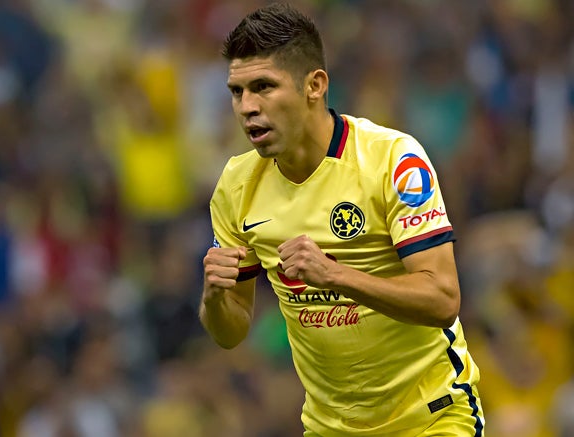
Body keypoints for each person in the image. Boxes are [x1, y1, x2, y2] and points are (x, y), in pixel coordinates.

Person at [198, 3, 485, 436]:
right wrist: (215, 298)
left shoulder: (392, 160)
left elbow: (443, 299)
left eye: (263, 87)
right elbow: (230, 333)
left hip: (432, 416)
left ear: (314, 85)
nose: (247, 107)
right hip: (330, 428)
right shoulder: (237, 185)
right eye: (237, 91)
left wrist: (336, 276)